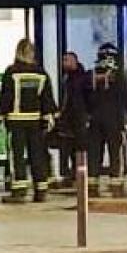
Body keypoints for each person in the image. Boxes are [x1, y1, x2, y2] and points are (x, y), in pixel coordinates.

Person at [0, 37, 58, 203]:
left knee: (17, 156)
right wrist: (48, 117)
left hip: (16, 121)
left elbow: (6, 96)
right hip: (36, 121)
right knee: (37, 155)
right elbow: (47, 98)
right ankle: (41, 190)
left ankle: (19, 190)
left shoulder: (12, 72)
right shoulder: (41, 73)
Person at [88, 42, 127, 196]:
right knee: (115, 152)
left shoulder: (92, 74)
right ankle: (116, 185)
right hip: (114, 119)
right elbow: (125, 96)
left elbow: (86, 98)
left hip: (95, 120)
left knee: (94, 153)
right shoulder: (118, 75)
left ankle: (92, 185)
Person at [51, 51, 92, 189]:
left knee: (78, 148)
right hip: (68, 119)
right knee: (65, 148)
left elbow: (84, 98)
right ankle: (67, 176)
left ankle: (77, 175)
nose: (64, 63)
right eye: (63, 60)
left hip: (79, 118)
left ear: (75, 61)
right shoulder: (67, 78)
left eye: (66, 60)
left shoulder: (82, 78)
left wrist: (86, 115)